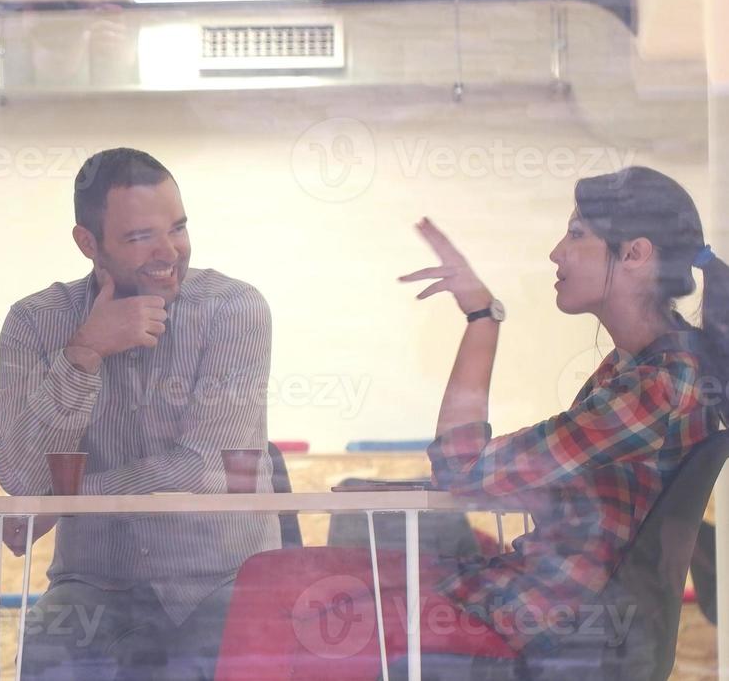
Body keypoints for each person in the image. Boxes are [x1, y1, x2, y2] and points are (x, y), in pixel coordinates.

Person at [215, 166, 728, 679]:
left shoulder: (660, 385)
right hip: (514, 595)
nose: (556, 252)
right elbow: (518, 483)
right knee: (273, 577)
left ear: (634, 254)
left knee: (284, 605)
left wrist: (482, 317)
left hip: (530, 621)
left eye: (576, 234)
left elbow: (461, 470)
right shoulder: (642, 369)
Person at [0, 148, 278, 680]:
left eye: (178, 227)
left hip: (224, 578)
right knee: (50, 655)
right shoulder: (36, 322)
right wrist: (83, 353)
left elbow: (202, 469)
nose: (168, 251)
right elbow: (19, 475)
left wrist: (66, 501)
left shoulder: (234, 310)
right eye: (139, 237)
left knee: (208, 664)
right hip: (94, 579)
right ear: (87, 243)